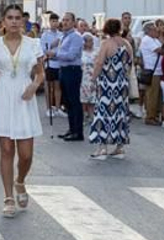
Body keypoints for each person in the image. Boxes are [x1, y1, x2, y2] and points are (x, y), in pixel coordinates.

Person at [0, 3, 43, 218]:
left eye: (18, 18)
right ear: (3, 21)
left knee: (26, 154)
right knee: (7, 149)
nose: (14, 21)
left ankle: (20, 181)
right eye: (10, 17)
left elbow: (40, 73)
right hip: (2, 95)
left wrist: (34, 86)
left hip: (24, 96)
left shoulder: (33, 44)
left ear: (23, 21)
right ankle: (8, 196)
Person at [88, 18, 134, 159]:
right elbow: (130, 64)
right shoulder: (127, 44)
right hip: (122, 83)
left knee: (104, 112)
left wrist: (93, 79)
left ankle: (102, 148)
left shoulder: (106, 44)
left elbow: (99, 63)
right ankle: (119, 147)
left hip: (107, 83)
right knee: (120, 113)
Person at [54, 13, 86, 140]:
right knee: (67, 102)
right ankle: (71, 128)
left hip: (72, 70)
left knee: (74, 101)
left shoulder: (76, 37)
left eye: (67, 20)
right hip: (63, 70)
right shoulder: (64, 36)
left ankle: (78, 132)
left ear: (74, 22)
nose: (64, 22)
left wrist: (56, 53)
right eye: (64, 20)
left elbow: (71, 55)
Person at [40, 13, 62, 119]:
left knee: (58, 87)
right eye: (53, 21)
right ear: (49, 22)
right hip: (49, 63)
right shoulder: (45, 35)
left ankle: (57, 108)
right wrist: (51, 47)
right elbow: (43, 49)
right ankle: (49, 108)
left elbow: (62, 48)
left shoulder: (61, 34)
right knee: (49, 86)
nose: (55, 23)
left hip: (59, 63)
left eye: (56, 21)